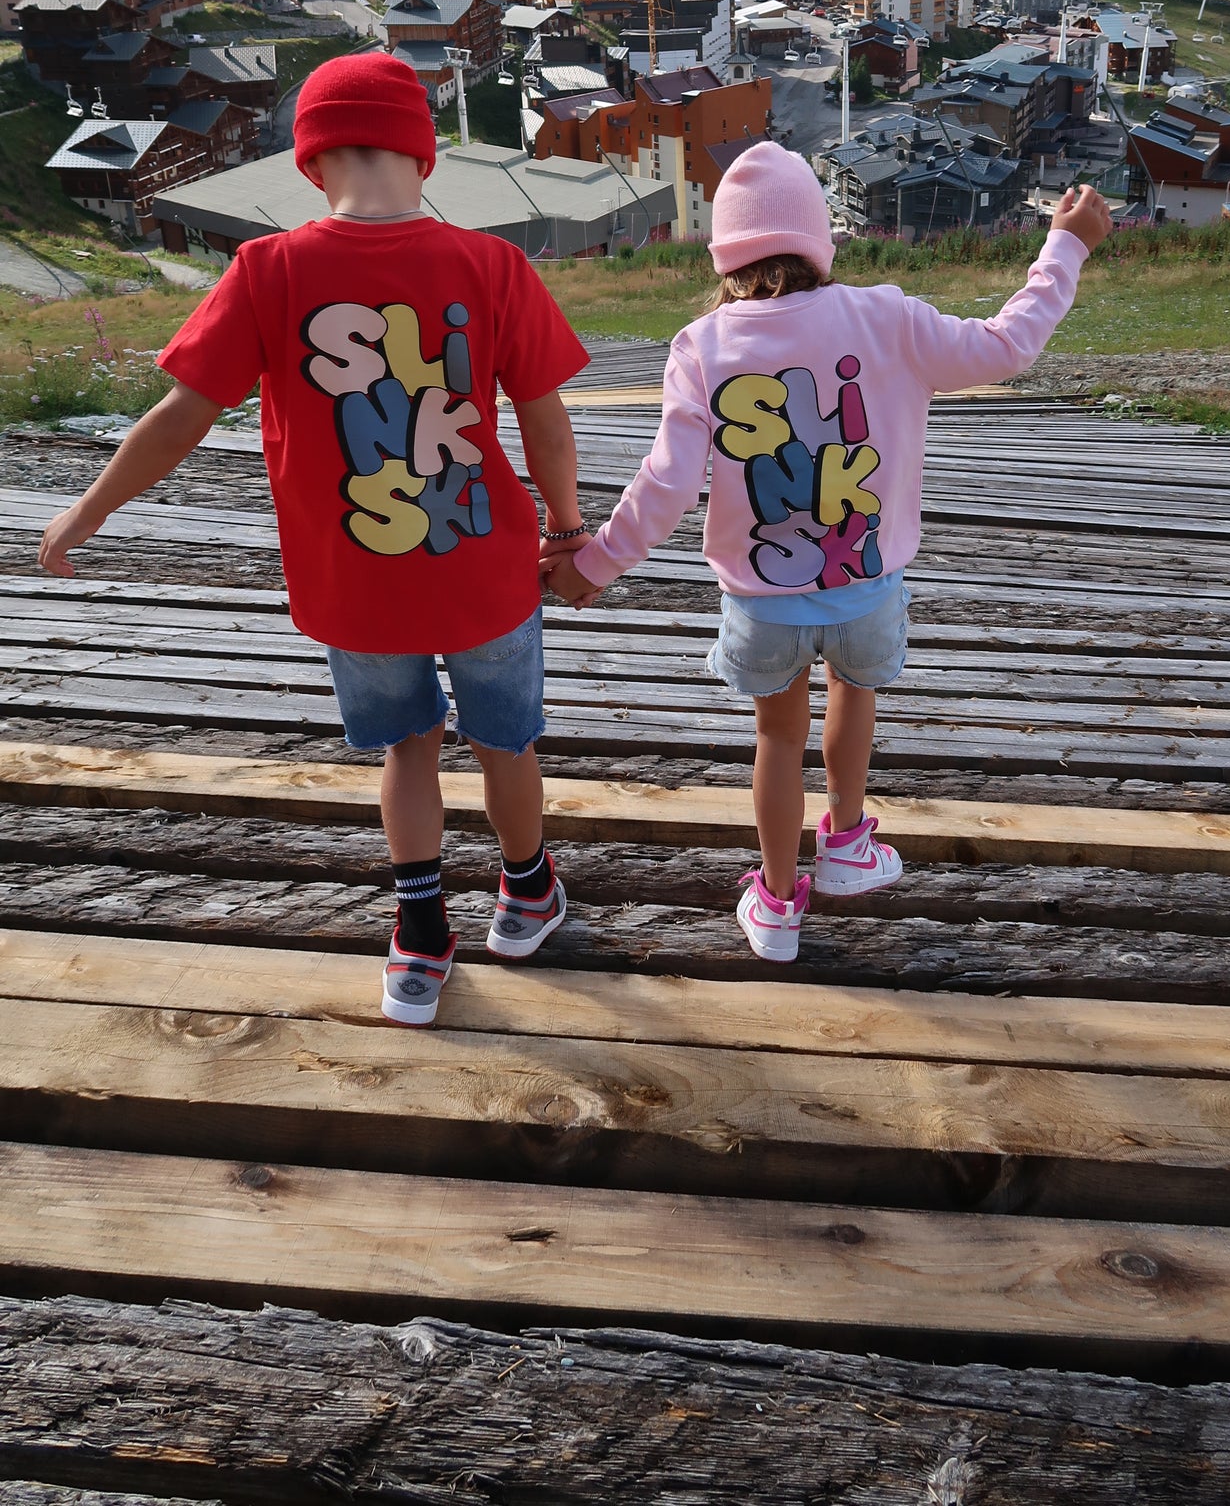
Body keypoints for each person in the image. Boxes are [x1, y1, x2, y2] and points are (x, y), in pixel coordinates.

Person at [38, 51, 590, 1023]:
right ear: (423, 154)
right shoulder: (492, 264)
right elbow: (545, 421)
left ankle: (419, 936)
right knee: (506, 744)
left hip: (353, 585)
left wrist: (90, 508)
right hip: (484, 572)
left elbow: (181, 414)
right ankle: (524, 891)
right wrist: (567, 526)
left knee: (407, 752)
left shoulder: (269, 269)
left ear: (310, 160)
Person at [546, 141, 1111, 962]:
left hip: (761, 601)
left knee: (777, 738)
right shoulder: (885, 315)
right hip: (867, 586)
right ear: (818, 242)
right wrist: (1065, 246)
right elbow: (1004, 347)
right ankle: (845, 842)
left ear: (726, 256)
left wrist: (593, 564)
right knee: (854, 692)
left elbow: (665, 485)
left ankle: (776, 903)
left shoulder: (701, 346)